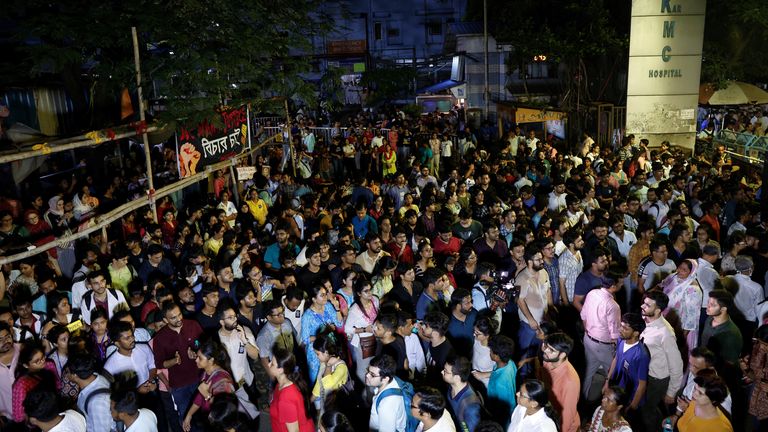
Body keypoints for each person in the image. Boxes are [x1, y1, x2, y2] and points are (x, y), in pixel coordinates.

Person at [152, 301, 204, 430]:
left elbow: (204, 345)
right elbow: (159, 364)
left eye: (179, 314)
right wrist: (174, 361)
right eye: (173, 318)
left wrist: (196, 353)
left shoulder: (193, 325)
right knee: (186, 417)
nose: (179, 319)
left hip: (199, 378)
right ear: (165, 319)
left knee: (205, 413)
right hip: (179, 386)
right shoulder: (159, 338)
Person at [639, 290, 684, 432]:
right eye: (644, 303)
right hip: (646, 374)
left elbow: (677, 364)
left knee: (648, 410)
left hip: (657, 379)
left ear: (658, 310)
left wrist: (671, 392)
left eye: (647, 305)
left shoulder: (665, 333)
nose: (642, 306)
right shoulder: (646, 320)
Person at [580, 267, 623, 401]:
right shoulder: (613, 305)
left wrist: (588, 333)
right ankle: (611, 402)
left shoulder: (592, 293)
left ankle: (583, 400)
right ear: (614, 286)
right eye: (620, 283)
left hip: (588, 339)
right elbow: (615, 333)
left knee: (589, 371)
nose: (622, 284)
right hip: (603, 345)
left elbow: (583, 316)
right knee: (613, 374)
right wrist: (617, 350)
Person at [183, 339, 236, 432]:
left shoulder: (223, 381)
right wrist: (189, 415)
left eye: (200, 358)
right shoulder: (206, 373)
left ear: (211, 360)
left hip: (220, 425)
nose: (196, 360)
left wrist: (207, 395)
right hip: (210, 420)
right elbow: (200, 397)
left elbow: (224, 412)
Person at [604, 313, 649, 417]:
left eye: (625, 328)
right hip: (618, 390)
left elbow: (642, 385)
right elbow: (616, 358)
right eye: (621, 326)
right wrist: (607, 381)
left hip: (629, 398)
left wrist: (632, 407)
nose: (620, 329)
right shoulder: (621, 339)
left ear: (636, 333)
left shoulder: (641, 355)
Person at [301, 285, 343, 384]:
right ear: (314, 299)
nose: (325, 297)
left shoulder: (328, 306)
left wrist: (337, 308)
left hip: (330, 348)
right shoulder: (307, 315)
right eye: (322, 295)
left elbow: (339, 324)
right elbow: (305, 339)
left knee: (331, 378)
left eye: (325, 294)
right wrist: (323, 335)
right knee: (317, 380)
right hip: (316, 353)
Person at [267, 347, 315, 432]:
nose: (268, 364)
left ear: (280, 370)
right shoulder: (285, 382)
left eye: (272, 364)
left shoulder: (285, 398)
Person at [663, 373, 733, 432]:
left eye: (700, 393)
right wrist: (676, 416)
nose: (693, 394)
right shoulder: (696, 403)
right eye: (695, 388)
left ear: (713, 400)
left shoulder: (720, 429)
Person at [660, 258, 702, 352]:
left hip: (681, 326)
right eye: (679, 267)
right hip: (667, 321)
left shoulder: (693, 289)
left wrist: (683, 336)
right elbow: (661, 285)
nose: (680, 271)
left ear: (691, 272)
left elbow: (691, 316)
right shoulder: (674, 277)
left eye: (684, 270)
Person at [540, 333, 580, 432]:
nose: (545, 351)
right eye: (546, 347)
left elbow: (567, 415)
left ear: (562, 354)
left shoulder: (570, 382)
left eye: (551, 350)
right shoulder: (548, 360)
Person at [11, 342, 58, 423]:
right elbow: (18, 417)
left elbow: (58, 386)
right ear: (26, 365)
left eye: (43, 357)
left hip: (54, 409)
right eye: (37, 361)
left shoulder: (49, 365)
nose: (42, 361)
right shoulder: (21, 384)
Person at [65, 353, 112, 432]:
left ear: (74, 375)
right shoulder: (97, 377)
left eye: (67, 372)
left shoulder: (96, 403)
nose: (66, 375)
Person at [310, 329, 351, 415]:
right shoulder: (324, 363)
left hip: (336, 406)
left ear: (326, 352)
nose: (317, 357)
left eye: (317, 354)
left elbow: (326, 384)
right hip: (325, 402)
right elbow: (319, 382)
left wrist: (328, 366)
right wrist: (312, 399)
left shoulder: (341, 367)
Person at [700, 290, 743, 368]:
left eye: (712, 305)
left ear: (723, 309)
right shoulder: (710, 318)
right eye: (708, 302)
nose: (708, 306)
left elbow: (730, 363)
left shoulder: (731, 334)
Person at [366, 354, 407, 432]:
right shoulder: (391, 381)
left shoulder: (387, 404)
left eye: (372, 374)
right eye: (368, 370)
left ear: (385, 379)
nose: (367, 375)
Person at [442, 356, 481, 432]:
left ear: (457, 377)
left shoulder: (471, 408)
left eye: (445, 371)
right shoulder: (451, 386)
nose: (442, 372)